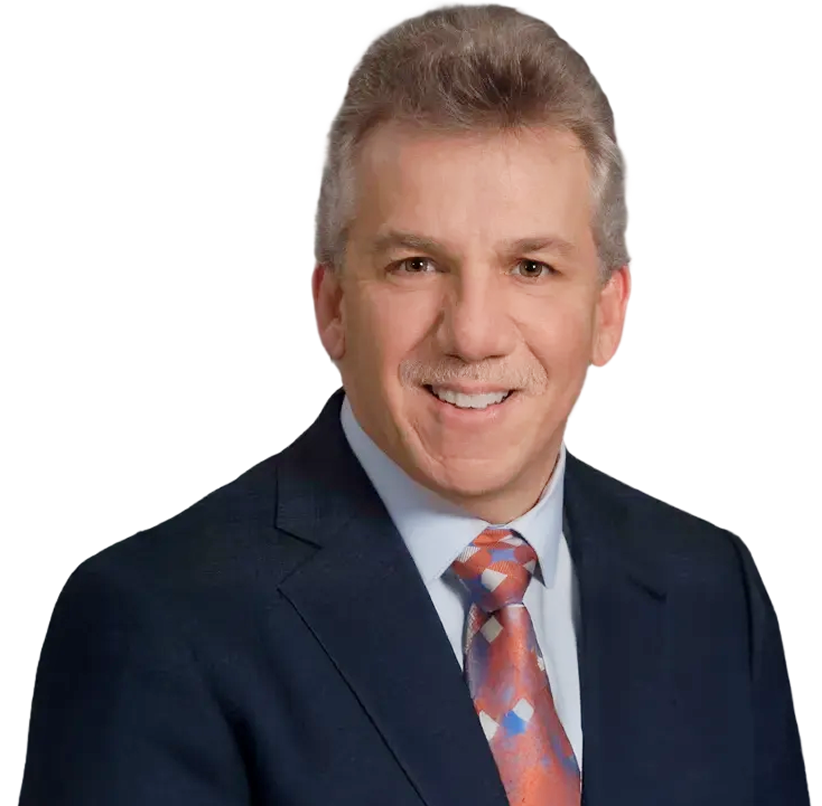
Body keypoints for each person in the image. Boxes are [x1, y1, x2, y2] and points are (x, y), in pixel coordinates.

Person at [20, 3, 809, 804]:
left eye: (531, 267)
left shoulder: (714, 588)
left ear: (610, 310)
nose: (471, 335)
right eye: (416, 264)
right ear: (330, 305)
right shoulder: (155, 620)